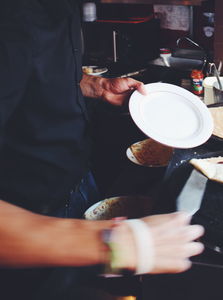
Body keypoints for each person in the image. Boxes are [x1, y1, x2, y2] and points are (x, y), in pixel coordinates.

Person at [0, 1, 205, 300]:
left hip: (76, 183)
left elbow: (38, 71)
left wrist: (96, 86)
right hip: (25, 223)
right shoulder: (9, 17)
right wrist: (112, 242)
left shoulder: (58, 8)